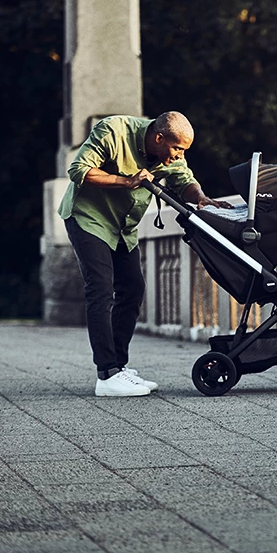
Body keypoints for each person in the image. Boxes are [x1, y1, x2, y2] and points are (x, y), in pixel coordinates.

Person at [58, 112, 231, 397]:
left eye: (184, 150)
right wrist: (125, 182)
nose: (179, 155)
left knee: (132, 288)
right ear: (159, 138)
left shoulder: (170, 155)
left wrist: (200, 197)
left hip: (123, 227)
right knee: (100, 289)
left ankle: (118, 367)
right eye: (177, 149)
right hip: (88, 218)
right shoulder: (114, 131)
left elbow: (183, 179)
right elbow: (79, 170)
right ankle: (106, 374)